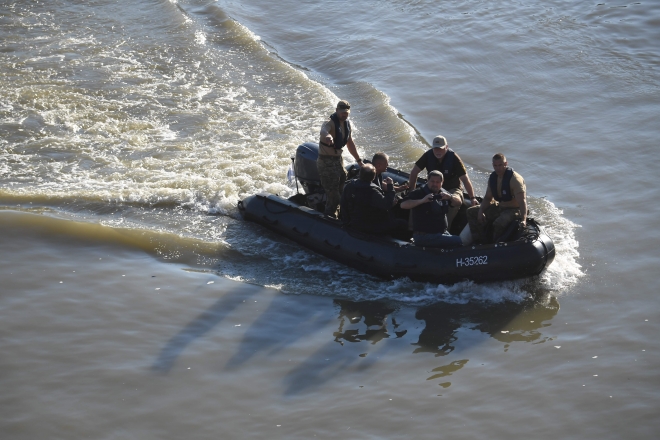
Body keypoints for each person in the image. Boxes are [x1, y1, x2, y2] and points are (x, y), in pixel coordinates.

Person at [408, 135, 478, 229]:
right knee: (416, 199)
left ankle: (443, 230)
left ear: (446, 147)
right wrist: (411, 190)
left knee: (454, 202)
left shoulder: (454, 158)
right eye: (435, 149)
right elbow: (414, 172)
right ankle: (413, 230)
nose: (438, 151)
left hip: (452, 188)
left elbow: (465, 179)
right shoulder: (428, 155)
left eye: (440, 148)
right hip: (433, 186)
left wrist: (472, 198)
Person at [466, 153, 527, 244]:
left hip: (514, 209)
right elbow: (487, 198)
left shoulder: (515, 179)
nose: (498, 168)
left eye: (500, 165)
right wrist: (481, 211)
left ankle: (494, 245)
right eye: (495, 165)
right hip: (500, 206)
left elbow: (522, 202)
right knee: (471, 211)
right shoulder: (493, 178)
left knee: (499, 222)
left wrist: (523, 220)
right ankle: (479, 241)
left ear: (506, 164)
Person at [317, 100, 363, 218]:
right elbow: (324, 130)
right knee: (333, 194)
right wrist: (327, 136)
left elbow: (350, 143)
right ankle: (329, 215)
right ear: (337, 110)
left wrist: (359, 160)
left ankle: (339, 212)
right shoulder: (330, 123)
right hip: (326, 161)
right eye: (342, 112)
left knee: (343, 181)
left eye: (346, 113)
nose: (344, 114)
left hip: (338, 159)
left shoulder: (346, 124)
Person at [340, 164, 409, 239]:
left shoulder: (349, 186)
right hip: (371, 226)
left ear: (360, 174)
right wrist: (390, 187)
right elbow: (387, 205)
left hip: (354, 222)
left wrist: (346, 222)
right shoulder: (373, 192)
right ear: (373, 177)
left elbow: (343, 204)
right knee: (402, 223)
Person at [400, 170, 463, 248]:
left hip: (441, 233)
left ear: (442, 182)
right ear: (427, 180)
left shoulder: (443, 193)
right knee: (458, 241)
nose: (435, 184)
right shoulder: (419, 192)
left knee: (459, 244)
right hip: (424, 236)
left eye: (438, 182)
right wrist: (422, 201)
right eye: (432, 181)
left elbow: (458, 203)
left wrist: (450, 197)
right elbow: (403, 205)